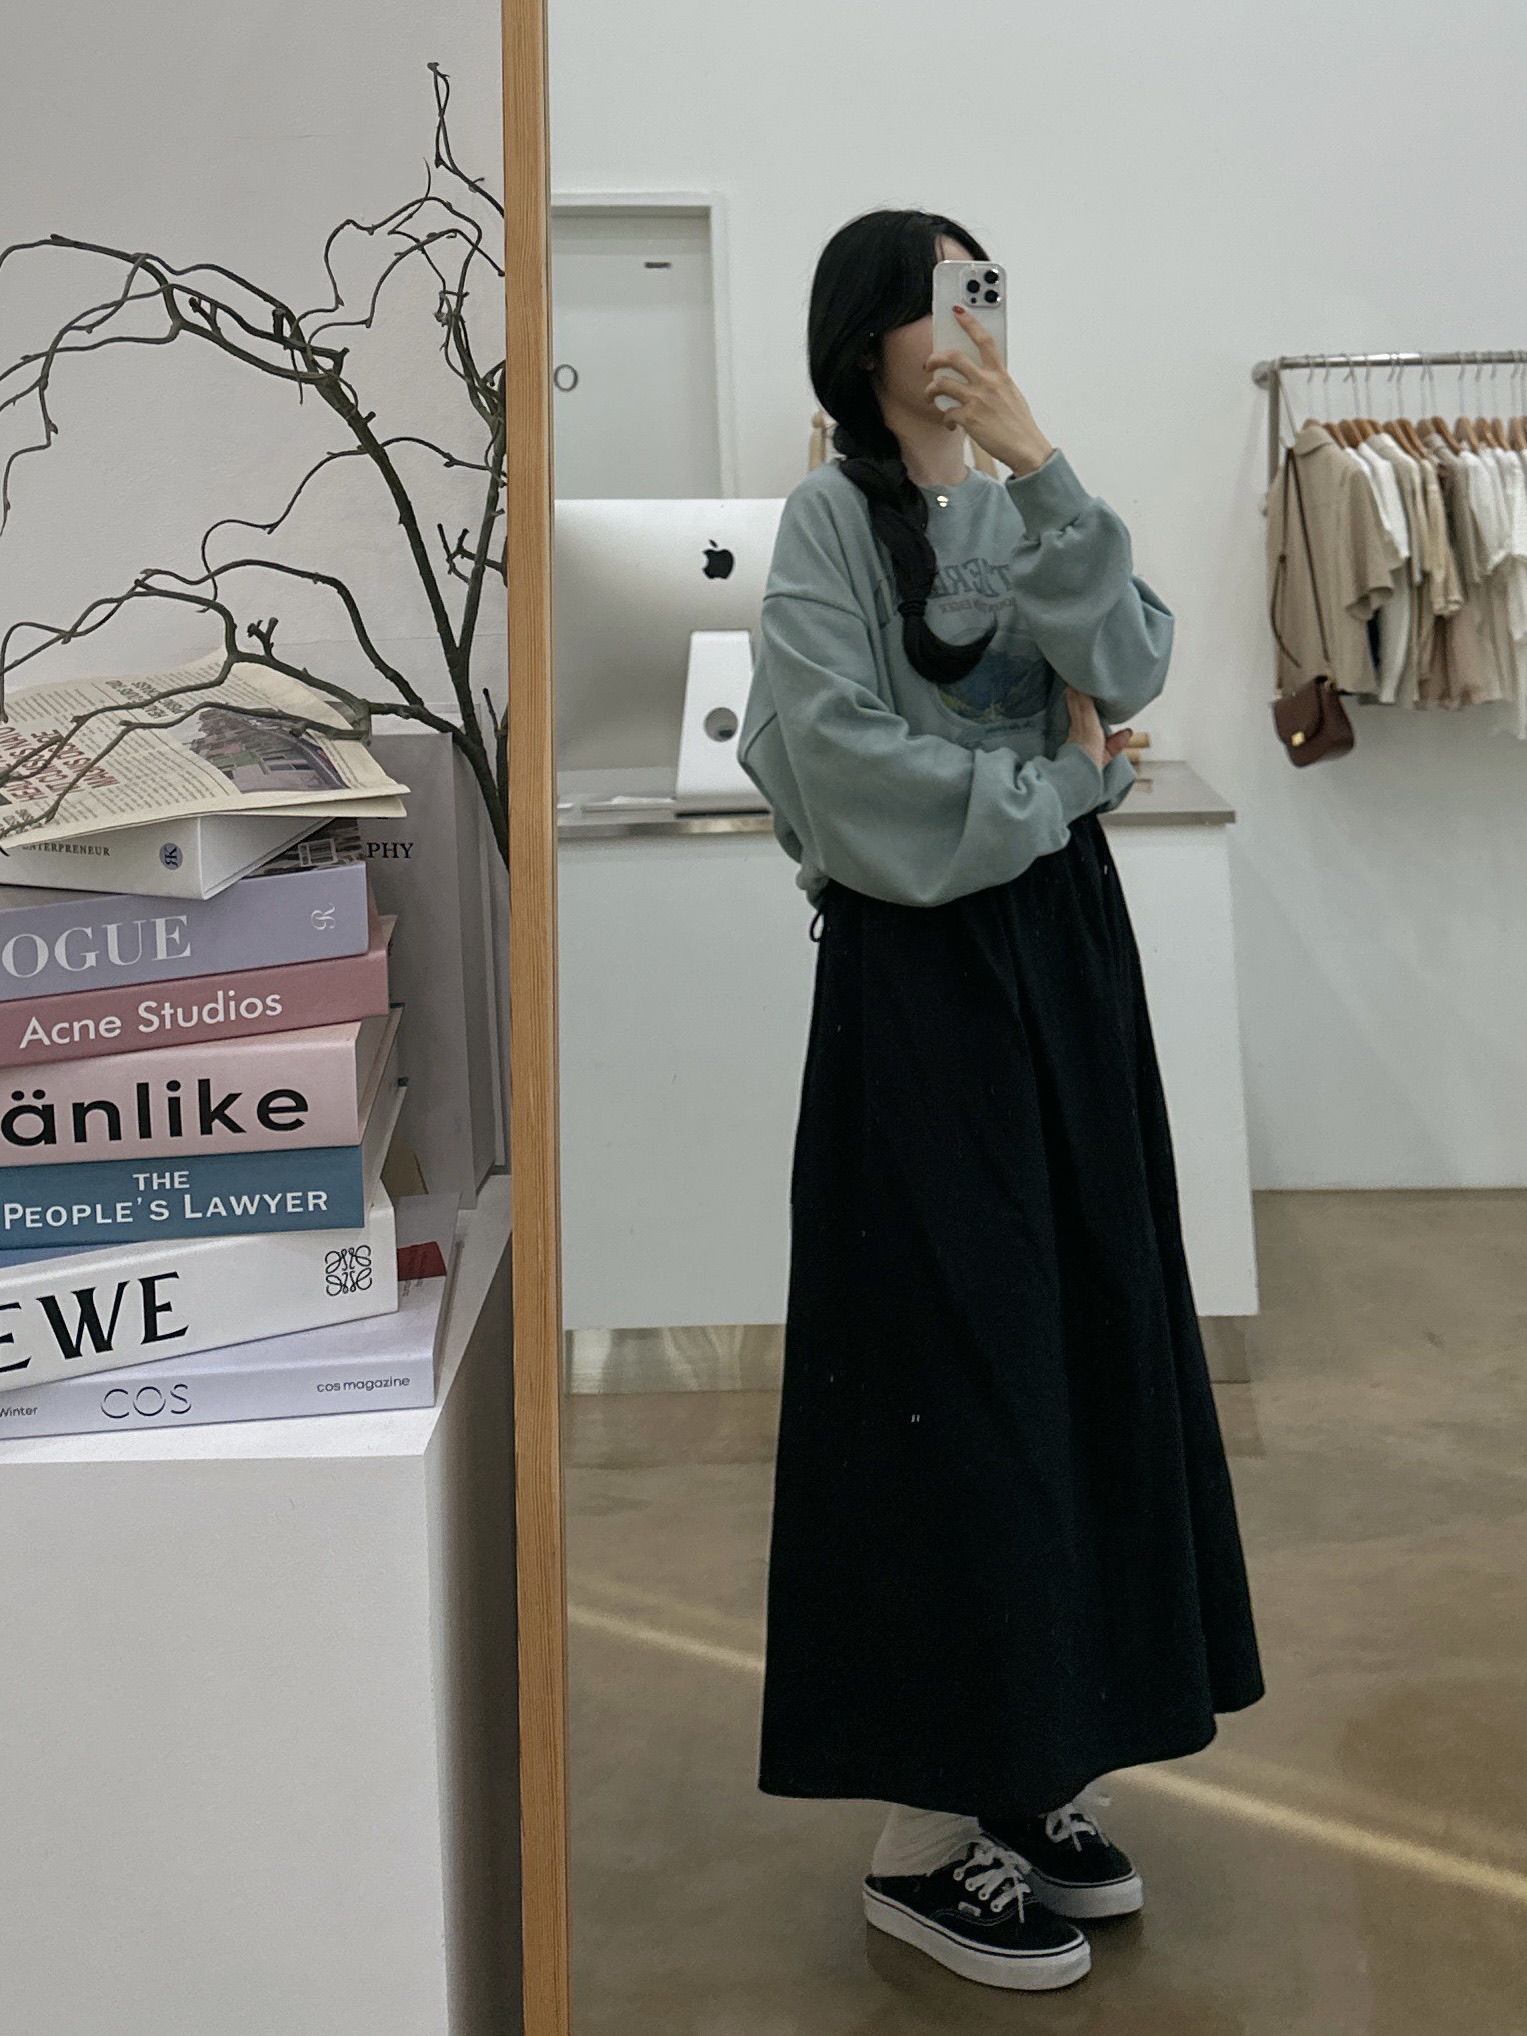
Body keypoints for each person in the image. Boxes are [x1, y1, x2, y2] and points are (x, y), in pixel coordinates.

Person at [738, 210, 1264, 1995]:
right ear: (868, 334)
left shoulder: (1027, 498)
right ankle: (918, 1834)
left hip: (1064, 970)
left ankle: (1033, 1764)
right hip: (923, 989)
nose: (972, 321)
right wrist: (1052, 789)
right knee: (947, 1368)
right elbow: (839, 770)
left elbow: (1131, 662)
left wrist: (1041, 465)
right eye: (941, 296)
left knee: (1078, 1341)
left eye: (989, 291)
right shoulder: (827, 519)